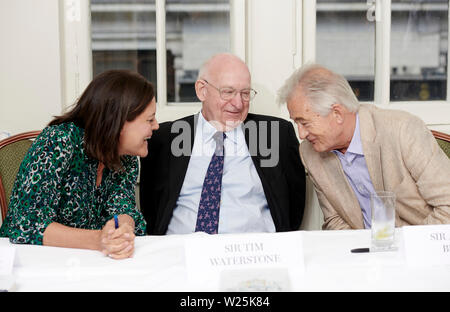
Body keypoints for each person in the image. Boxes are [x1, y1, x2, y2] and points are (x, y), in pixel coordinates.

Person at [140, 53, 306, 235]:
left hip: (254, 255)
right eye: (228, 92)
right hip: (181, 253)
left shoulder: (275, 135)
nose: (238, 104)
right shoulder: (165, 138)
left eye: (245, 93)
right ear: (201, 90)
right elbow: (151, 208)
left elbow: (293, 207)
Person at [0, 70, 159, 259]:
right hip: (32, 261)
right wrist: (99, 239)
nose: (156, 126)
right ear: (118, 122)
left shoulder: (126, 157)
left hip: (86, 262)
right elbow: (26, 224)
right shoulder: (58, 142)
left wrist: (123, 228)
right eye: (149, 119)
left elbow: (122, 208)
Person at [278, 63, 450, 230]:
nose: (301, 134)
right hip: (362, 255)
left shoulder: (402, 130)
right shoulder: (310, 153)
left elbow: (447, 206)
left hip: (419, 249)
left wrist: (402, 250)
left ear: (337, 113)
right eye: (296, 123)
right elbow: (334, 221)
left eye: (305, 123)